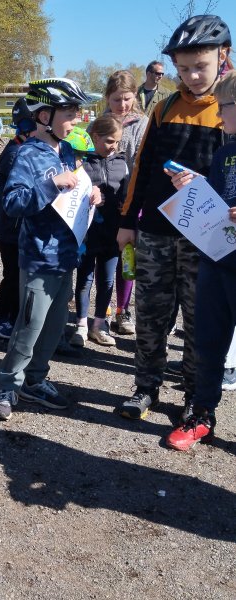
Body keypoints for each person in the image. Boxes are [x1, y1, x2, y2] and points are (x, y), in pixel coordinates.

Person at [116, 14, 231, 421]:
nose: (192, 76)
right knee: (150, 315)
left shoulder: (229, 111)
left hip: (208, 236)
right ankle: (145, 387)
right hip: (155, 231)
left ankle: (195, 396)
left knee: (200, 320)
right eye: (183, 69)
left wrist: (206, 185)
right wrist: (127, 221)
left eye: (200, 66)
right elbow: (142, 168)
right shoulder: (164, 108)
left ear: (224, 56)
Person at [0, 78, 101, 421]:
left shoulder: (66, 150)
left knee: (53, 327)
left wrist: (91, 194)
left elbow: (74, 192)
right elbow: (13, 203)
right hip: (39, 257)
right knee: (29, 327)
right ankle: (7, 385)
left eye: (77, 112)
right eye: (70, 113)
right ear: (44, 116)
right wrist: (51, 183)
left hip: (65, 256)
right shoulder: (27, 154)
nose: (77, 120)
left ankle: (35, 379)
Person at [163, 69, 236, 450]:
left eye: (224, 107)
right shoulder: (224, 153)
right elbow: (219, 203)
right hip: (216, 262)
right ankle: (201, 414)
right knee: (207, 344)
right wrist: (195, 187)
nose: (219, 115)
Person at [70, 114, 128, 348]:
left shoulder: (122, 163)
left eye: (117, 142)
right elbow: (73, 193)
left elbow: (127, 192)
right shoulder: (83, 162)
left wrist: (125, 204)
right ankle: (81, 325)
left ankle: (99, 324)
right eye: (109, 141)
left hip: (112, 232)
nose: (114, 146)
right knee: (84, 277)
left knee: (106, 280)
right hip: (88, 232)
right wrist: (90, 195)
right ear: (95, 137)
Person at [101, 70, 149, 336]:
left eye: (127, 99)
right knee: (104, 255)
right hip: (104, 199)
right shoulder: (100, 123)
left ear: (135, 97)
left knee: (126, 258)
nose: (122, 105)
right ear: (108, 98)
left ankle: (123, 309)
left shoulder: (142, 124)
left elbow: (143, 160)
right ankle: (102, 309)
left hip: (130, 200)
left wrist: (134, 199)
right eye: (116, 99)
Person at [0, 97, 38, 340]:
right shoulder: (15, 153)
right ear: (28, 126)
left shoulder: (20, 149)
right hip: (11, 227)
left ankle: (12, 316)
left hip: (15, 226)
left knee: (17, 273)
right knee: (13, 275)